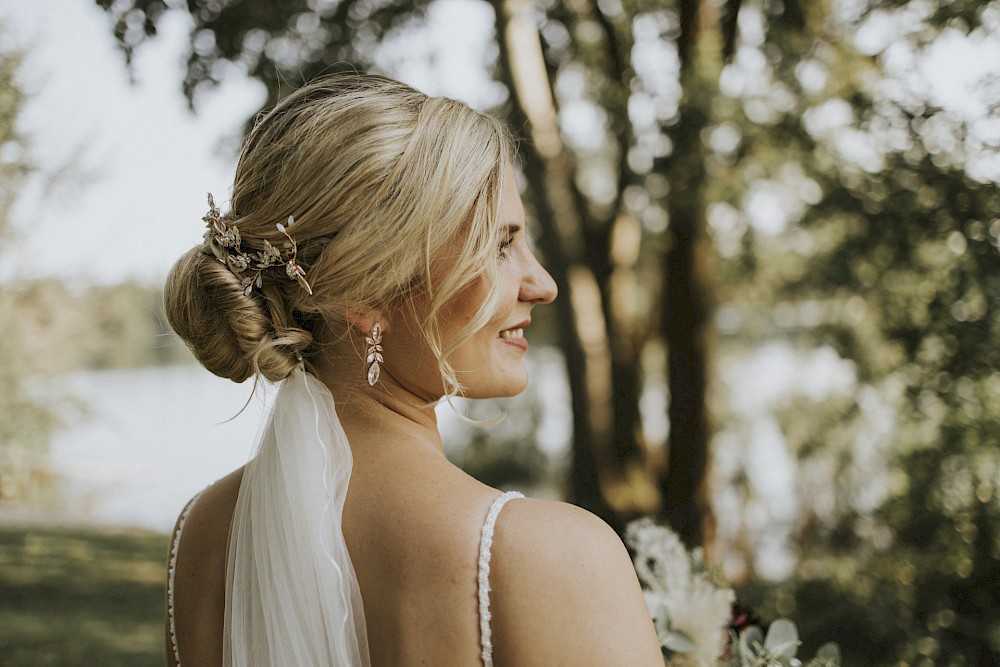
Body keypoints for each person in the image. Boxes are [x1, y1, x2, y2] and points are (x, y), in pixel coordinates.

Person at [163, 73, 662, 667]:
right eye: (500, 246)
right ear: (368, 291)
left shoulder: (202, 537)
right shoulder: (549, 558)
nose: (543, 284)